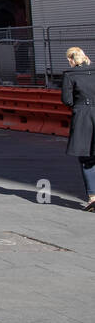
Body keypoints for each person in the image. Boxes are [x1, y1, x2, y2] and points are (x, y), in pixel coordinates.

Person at [61, 47, 95, 211]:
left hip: (82, 116)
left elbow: (67, 100)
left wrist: (79, 106)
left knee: (86, 158)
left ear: (72, 60)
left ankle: (92, 197)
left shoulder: (70, 74)